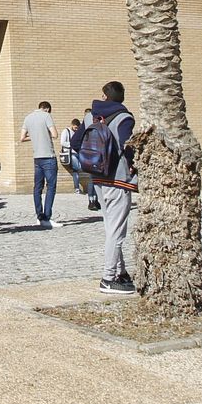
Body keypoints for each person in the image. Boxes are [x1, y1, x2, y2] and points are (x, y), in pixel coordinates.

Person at [89, 82, 135, 294]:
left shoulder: (91, 116)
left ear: (104, 95)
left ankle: (121, 272)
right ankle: (108, 278)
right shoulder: (124, 118)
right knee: (116, 231)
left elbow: (78, 140)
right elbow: (128, 148)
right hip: (117, 179)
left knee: (111, 227)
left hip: (97, 176)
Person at [21, 100, 59, 228]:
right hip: (48, 156)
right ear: (47, 109)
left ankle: (39, 215)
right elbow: (55, 134)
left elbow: (22, 138)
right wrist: (45, 133)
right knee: (51, 187)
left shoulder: (28, 118)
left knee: (37, 188)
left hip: (36, 157)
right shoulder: (46, 116)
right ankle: (47, 217)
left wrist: (35, 135)